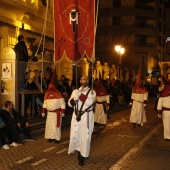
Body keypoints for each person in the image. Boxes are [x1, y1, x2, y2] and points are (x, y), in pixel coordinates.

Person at [68, 75, 96, 166]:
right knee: (76, 135)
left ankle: (82, 156)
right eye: (83, 79)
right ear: (80, 80)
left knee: (85, 136)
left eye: (87, 79)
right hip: (76, 116)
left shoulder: (92, 91)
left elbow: (90, 102)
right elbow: (69, 104)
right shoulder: (75, 91)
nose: (85, 80)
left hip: (86, 116)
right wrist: (74, 99)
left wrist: (80, 96)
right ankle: (79, 151)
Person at [41, 68, 66, 144]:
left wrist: (62, 112)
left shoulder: (59, 94)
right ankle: (51, 137)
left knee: (56, 126)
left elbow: (62, 104)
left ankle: (57, 138)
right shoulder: (47, 94)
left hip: (56, 113)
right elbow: (45, 103)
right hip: (49, 113)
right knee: (49, 126)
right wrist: (43, 111)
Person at [157, 76, 170, 141]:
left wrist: (159, 112)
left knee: (166, 124)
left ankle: (167, 137)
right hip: (166, 111)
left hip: (165, 112)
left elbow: (159, 104)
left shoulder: (163, 94)